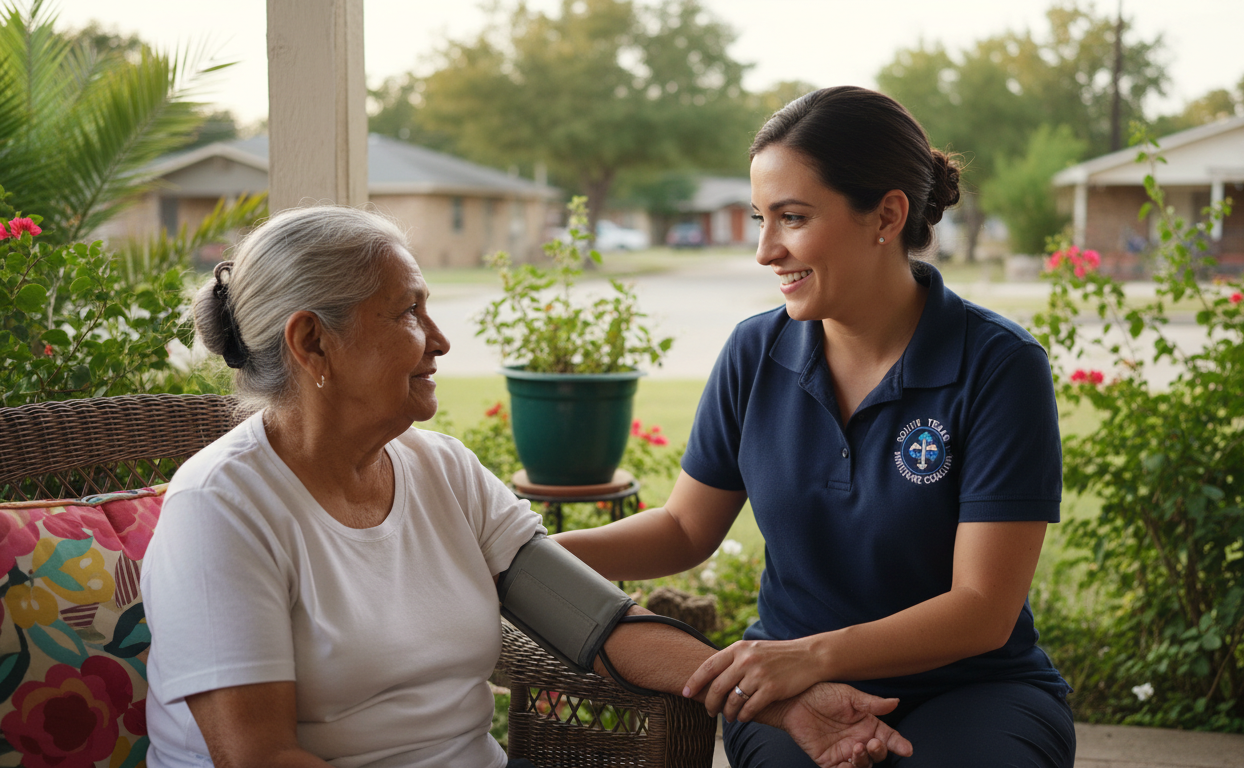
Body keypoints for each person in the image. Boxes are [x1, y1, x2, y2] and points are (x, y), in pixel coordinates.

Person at [141, 205, 916, 768]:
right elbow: (259, 757)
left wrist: (785, 701)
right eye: (409, 313)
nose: (440, 340)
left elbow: (601, 626)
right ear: (313, 341)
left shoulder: (441, 470)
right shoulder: (222, 512)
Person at [553, 86, 1076, 767]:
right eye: (758, 219)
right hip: (789, 694)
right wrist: (528, 556)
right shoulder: (754, 352)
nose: (767, 250)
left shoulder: (998, 365)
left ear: (886, 214)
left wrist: (808, 656)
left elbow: (982, 607)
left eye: (792, 218)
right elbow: (685, 529)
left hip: (976, 688)